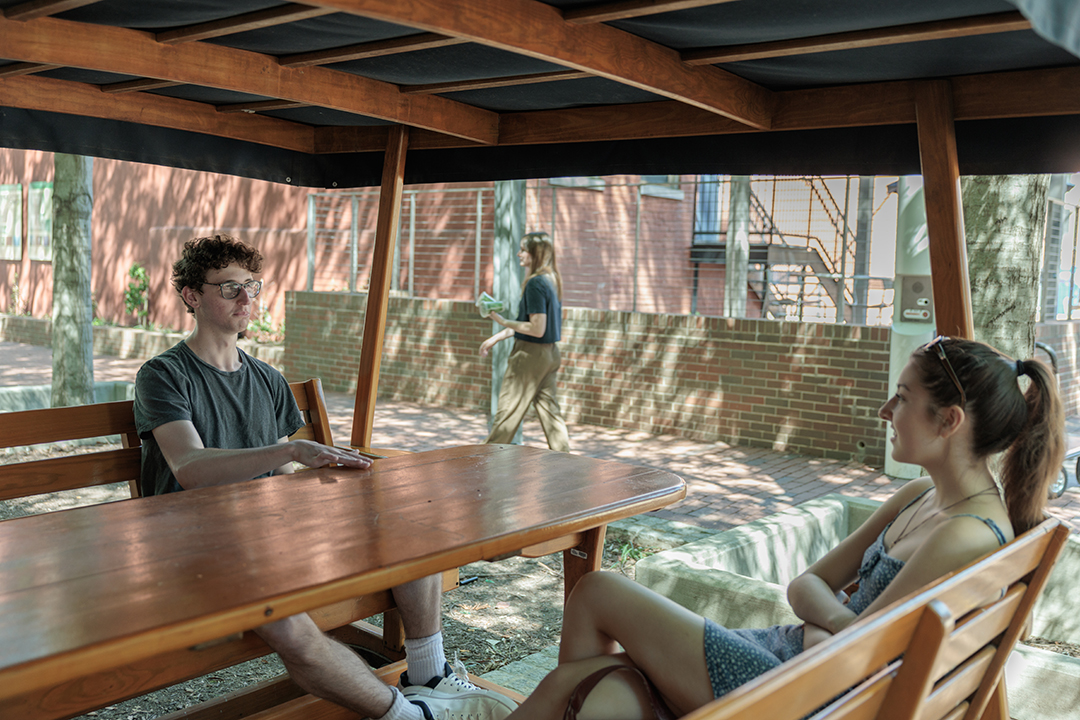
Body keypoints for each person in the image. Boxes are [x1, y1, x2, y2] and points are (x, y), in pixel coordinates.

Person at [500, 336, 1064, 719]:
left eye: (903, 397)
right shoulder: (923, 498)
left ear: (949, 421)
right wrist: (838, 623)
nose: (885, 411)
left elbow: (856, 655)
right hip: (791, 659)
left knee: (596, 596)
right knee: (584, 687)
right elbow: (804, 588)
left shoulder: (963, 534)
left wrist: (831, 626)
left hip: (800, 694)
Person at [133, 234, 518, 720]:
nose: (247, 299)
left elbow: (283, 475)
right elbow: (189, 469)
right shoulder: (164, 375)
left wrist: (339, 483)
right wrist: (290, 448)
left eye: (253, 285)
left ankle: (429, 674)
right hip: (196, 548)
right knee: (288, 621)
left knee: (408, 526)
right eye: (230, 289)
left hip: (264, 535)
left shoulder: (266, 379)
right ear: (192, 295)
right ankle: (406, 716)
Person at [479, 231, 570, 453]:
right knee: (551, 415)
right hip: (549, 355)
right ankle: (568, 465)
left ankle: (482, 463)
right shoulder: (551, 280)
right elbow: (530, 325)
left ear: (535, 254)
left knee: (508, 414)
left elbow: (536, 329)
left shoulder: (535, 284)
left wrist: (502, 320)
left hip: (529, 357)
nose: (519, 254)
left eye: (523, 250)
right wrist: (497, 337)